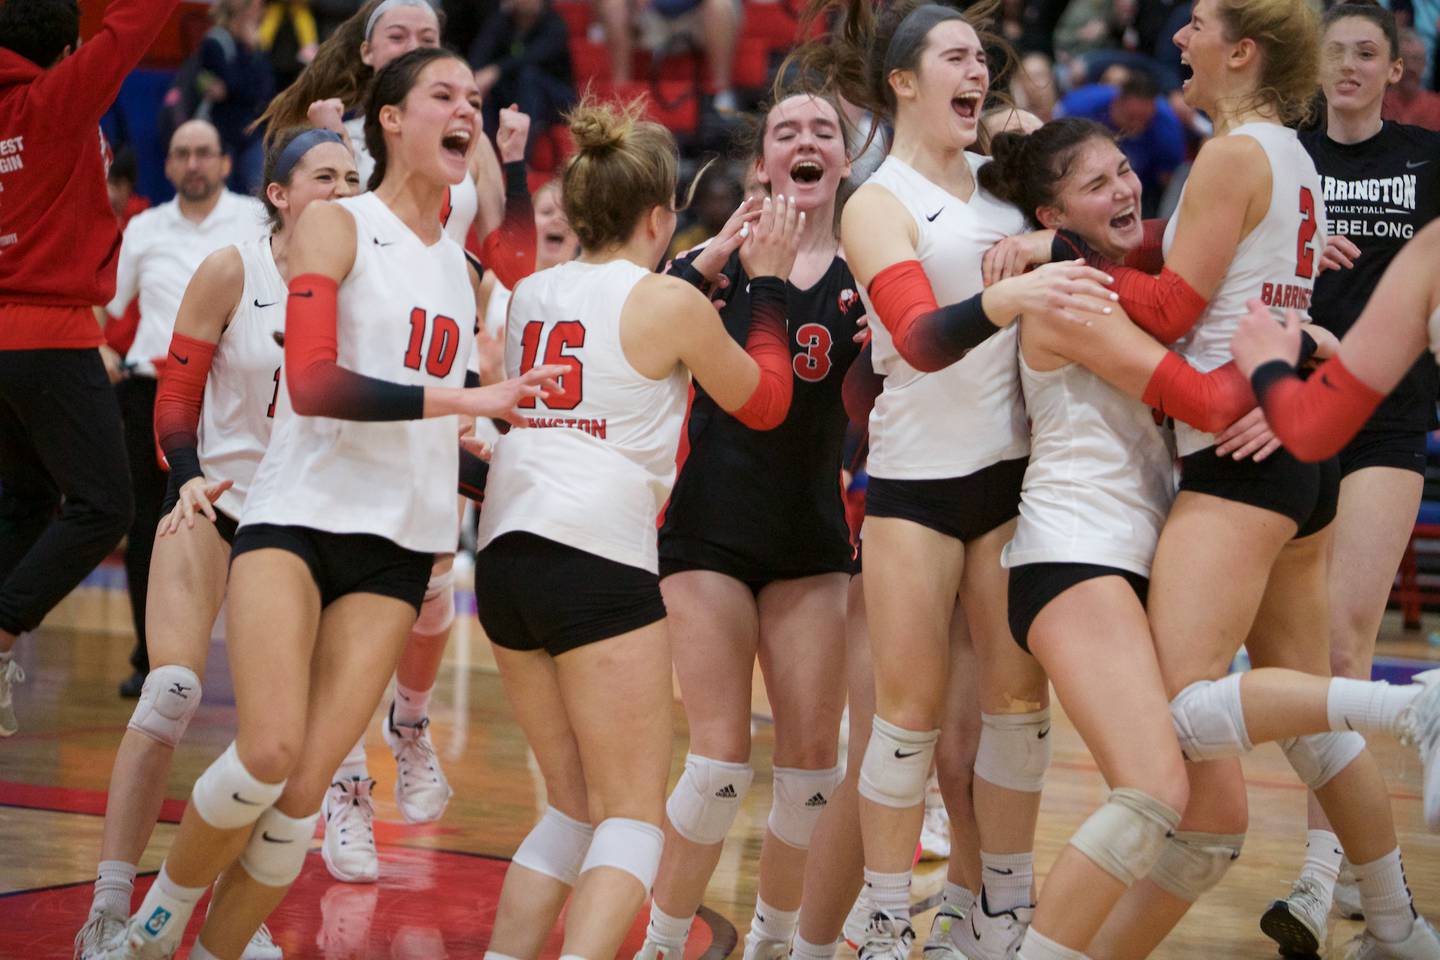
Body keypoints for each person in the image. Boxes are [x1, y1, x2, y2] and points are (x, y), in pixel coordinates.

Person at [97, 47, 563, 960]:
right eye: (443, 94)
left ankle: (215, 949)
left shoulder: (461, 271)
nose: (465, 108)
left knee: (303, 795)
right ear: (391, 119)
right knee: (265, 749)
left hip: (402, 546)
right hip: (296, 522)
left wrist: (490, 442)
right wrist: (465, 401)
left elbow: (466, 400)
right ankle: (148, 927)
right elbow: (311, 384)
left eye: (473, 96)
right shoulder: (334, 228)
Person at [999, 4, 1440, 958]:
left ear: (1240, 50)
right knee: (1306, 715)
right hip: (1293, 454)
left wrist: (1059, 256)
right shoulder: (1294, 156)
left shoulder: (1234, 155)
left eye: (1196, 23)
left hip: (1242, 454)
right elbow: (1216, 277)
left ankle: (1408, 707)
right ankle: (1401, 926)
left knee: (1187, 714)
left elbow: (1166, 304)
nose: (1179, 37)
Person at [783, 3, 1119, 958]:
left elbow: (1107, 219)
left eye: (984, 59)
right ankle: (887, 917)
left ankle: (1000, 912)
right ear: (902, 81)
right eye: (956, 59)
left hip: (1015, 479)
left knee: (1015, 715)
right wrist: (1008, 291)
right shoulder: (875, 200)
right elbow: (923, 340)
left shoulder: (1004, 169)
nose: (979, 73)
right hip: (914, 488)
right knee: (907, 722)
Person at [472, 93, 803, 960]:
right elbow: (764, 402)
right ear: (661, 217)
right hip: (596, 552)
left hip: (505, 552)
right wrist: (764, 283)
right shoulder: (667, 303)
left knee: (570, 806)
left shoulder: (531, 291)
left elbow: (624, 317)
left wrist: (701, 264)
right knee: (631, 818)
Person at [73, 126, 361, 960]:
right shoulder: (234, 266)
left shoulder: (367, 280)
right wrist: (188, 471)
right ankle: (108, 903)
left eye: (352, 178)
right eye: (323, 176)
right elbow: (178, 389)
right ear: (278, 192)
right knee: (168, 692)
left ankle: (238, 914)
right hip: (217, 504)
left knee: (278, 741)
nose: (341, 192)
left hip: (305, 526)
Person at [633, 90, 865, 960]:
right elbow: (638, 331)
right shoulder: (716, 262)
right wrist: (710, 260)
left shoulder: (871, 269)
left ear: (845, 159)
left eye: (824, 132)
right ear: (762, 160)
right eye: (786, 132)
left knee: (813, 773)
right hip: (710, 532)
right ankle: (662, 941)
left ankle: (775, 943)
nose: (806, 142)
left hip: (812, 536)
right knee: (719, 767)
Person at [1255, 3, 1440, 950]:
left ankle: (1321, 876)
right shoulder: (1283, 155)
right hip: (1286, 412)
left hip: (1386, 422)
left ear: (1397, 65)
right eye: (1336, 54)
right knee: (1292, 660)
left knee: (1341, 645)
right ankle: (1381, 870)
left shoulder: (1426, 160)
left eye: (1369, 52)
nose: (1352, 68)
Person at [0, 0, 177, 737]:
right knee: (107, 504)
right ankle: (3, 634)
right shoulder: (54, 98)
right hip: (51, 336)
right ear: (65, 48)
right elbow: (130, 29)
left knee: (25, 501)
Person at [104, 119, 267, 699]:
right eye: (181, 154)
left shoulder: (255, 218)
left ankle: (259, 664)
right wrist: (101, 347)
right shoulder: (144, 228)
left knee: (247, 523)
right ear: (168, 166)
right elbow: (106, 303)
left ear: (225, 162)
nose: (193, 162)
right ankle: (152, 660)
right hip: (152, 389)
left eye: (204, 152)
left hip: (237, 391)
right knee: (149, 527)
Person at [1055, 72, 1186, 217]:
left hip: (1145, 192)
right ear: (1116, 103)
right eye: (1131, 118)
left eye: (1144, 120)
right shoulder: (1079, 108)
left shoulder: (1167, 126)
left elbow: (1168, 182)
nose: (1137, 126)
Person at [594, 0, 742, 114]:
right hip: (649, 16)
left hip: (697, 15)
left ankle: (721, 93)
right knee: (613, 4)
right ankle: (621, 93)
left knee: (721, 4)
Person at [468, 0, 576, 150]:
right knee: (485, 86)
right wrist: (476, 76)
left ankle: (519, 158)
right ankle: (480, 151)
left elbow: (533, 56)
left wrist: (496, 70)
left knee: (528, 77)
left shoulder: (555, 24)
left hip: (556, 98)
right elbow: (479, 56)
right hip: (514, 94)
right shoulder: (501, 21)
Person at [200, 0, 276, 194]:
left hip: (252, 132)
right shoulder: (215, 41)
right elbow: (231, 83)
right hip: (222, 133)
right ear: (244, 10)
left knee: (258, 191)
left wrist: (254, 49)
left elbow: (265, 90)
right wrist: (247, 51)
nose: (262, 12)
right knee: (218, 193)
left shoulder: (256, 43)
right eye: (258, 7)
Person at [1384, 27, 1440, 129]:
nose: (1411, 67)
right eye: (1404, 59)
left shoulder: (1437, 107)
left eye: (1416, 59)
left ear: (1424, 64)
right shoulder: (1377, 106)